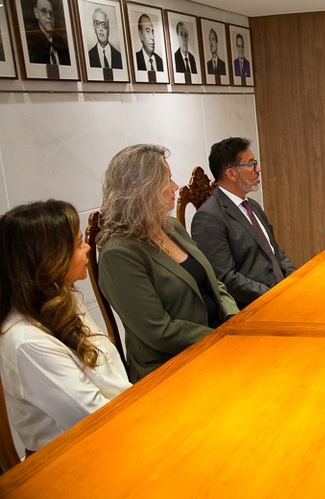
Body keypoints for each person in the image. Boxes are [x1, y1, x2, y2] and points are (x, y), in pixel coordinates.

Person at [97, 144, 238, 382]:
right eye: (167, 180)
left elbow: (214, 283)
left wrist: (234, 320)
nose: (175, 187)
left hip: (216, 343)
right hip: (170, 368)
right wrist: (219, 337)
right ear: (141, 190)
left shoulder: (169, 227)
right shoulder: (119, 253)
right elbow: (158, 331)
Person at [0, 200, 130, 454]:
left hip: (116, 426)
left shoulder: (60, 298)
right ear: (50, 259)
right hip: (73, 457)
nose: (87, 248)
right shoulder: (25, 340)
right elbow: (91, 417)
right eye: (78, 243)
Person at [192, 138, 295, 308]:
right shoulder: (209, 217)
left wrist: (294, 279)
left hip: (282, 295)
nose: (258, 169)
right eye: (252, 164)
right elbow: (225, 277)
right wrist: (272, 295)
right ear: (231, 174)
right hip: (253, 307)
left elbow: (273, 250)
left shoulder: (252, 205)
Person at [26, 0, 70, 65]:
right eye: (44, 11)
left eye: (51, 12)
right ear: (36, 13)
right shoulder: (30, 41)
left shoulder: (61, 43)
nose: (48, 16)